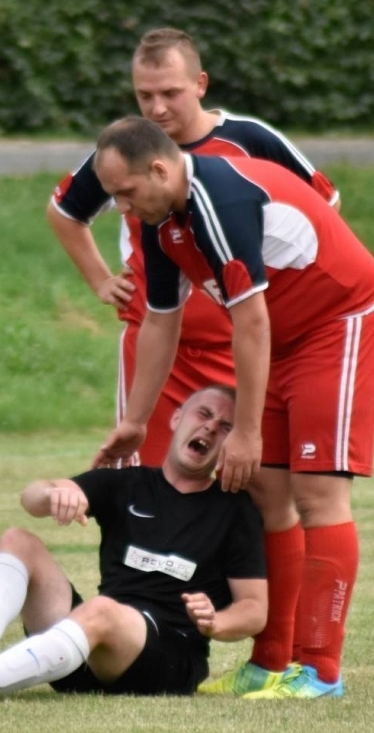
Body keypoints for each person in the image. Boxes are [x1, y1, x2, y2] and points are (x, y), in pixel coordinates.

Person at [91, 116, 374, 700]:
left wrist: (246, 431)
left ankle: (321, 670)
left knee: (317, 493)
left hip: (339, 321)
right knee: (268, 493)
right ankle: (272, 661)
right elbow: (160, 320)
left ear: (160, 168)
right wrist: (134, 422)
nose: (122, 206)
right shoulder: (158, 218)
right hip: (286, 333)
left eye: (126, 191)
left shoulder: (215, 200)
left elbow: (250, 321)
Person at [47, 28, 340, 469]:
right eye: (144, 96)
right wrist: (101, 280)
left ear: (200, 84)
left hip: (238, 339)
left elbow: (324, 208)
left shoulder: (249, 139)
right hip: (158, 339)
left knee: (248, 479)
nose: (157, 107)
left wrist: (290, 300)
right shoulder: (125, 152)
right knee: (146, 475)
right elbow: (64, 212)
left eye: (171, 92)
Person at [0, 384, 267, 701]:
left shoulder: (235, 510)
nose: (210, 427)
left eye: (225, 427)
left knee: (101, 610)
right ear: (176, 418)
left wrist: (216, 622)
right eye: (204, 414)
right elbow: (31, 498)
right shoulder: (127, 484)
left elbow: (254, 609)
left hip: (169, 658)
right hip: (89, 648)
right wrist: (55, 493)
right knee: (18, 540)